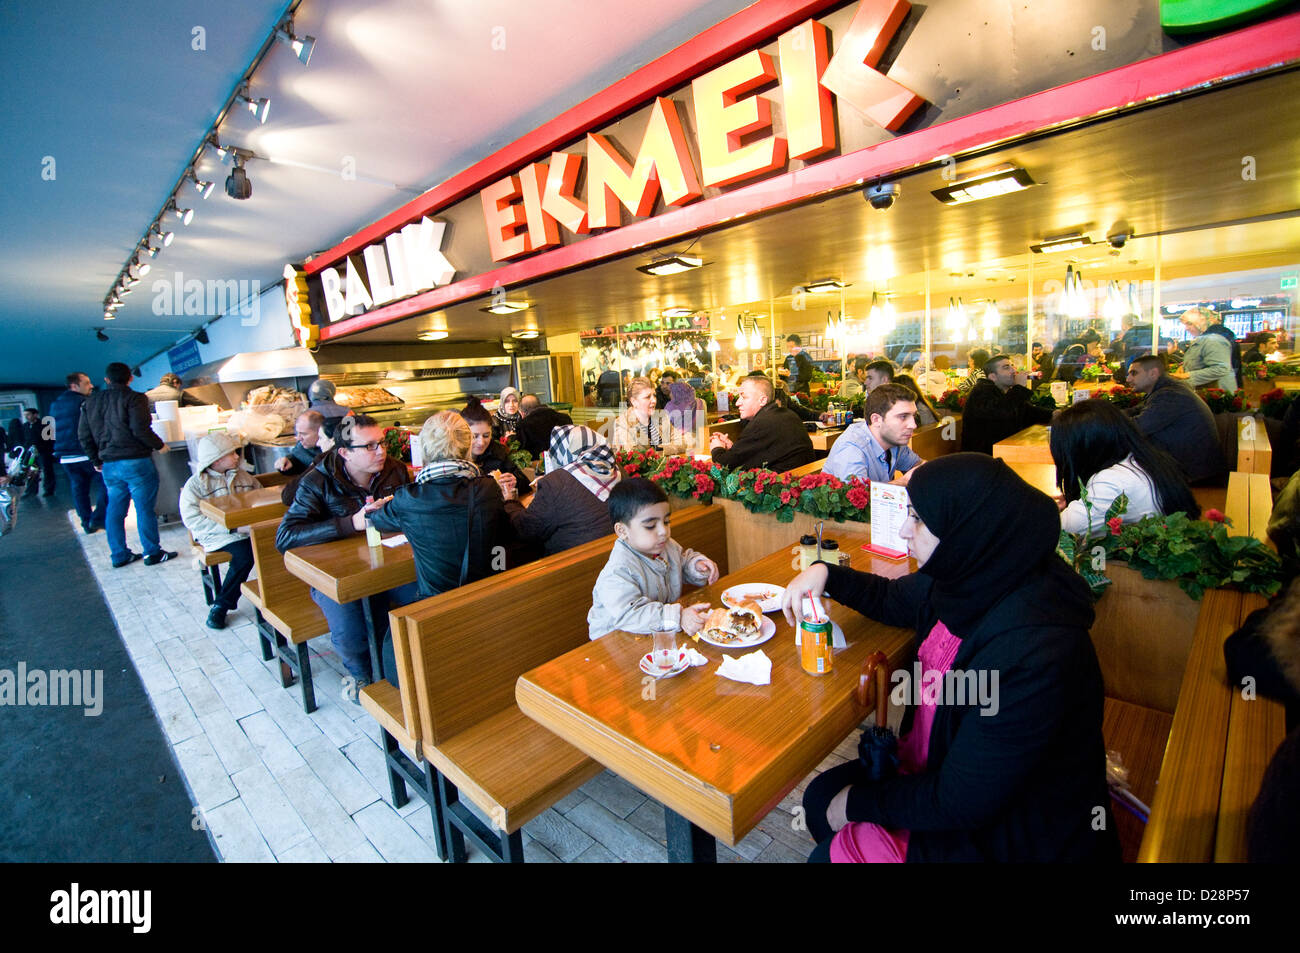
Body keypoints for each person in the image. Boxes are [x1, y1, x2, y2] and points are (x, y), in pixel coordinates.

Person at [784, 453, 1117, 862]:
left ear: (969, 530)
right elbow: (891, 598)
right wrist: (825, 574)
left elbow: (961, 801)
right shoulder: (973, 577)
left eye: (920, 519)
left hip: (1005, 827)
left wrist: (856, 804)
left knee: (828, 837)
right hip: (942, 764)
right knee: (819, 798)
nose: (906, 529)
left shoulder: (1036, 650)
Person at [275, 414, 415, 692]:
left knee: (422, 603)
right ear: (344, 452)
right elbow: (285, 536)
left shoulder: (395, 470)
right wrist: (351, 523)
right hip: (334, 575)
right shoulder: (319, 481)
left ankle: (408, 672)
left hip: (388, 563)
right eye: (370, 446)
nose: (381, 451)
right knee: (351, 629)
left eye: (383, 443)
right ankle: (364, 680)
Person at [365, 411, 511, 599]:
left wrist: (381, 506)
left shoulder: (407, 498)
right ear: (467, 448)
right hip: (486, 599)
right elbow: (506, 531)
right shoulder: (488, 489)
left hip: (433, 606)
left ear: (424, 450)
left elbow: (375, 520)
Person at [587, 478, 719, 639]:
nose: (663, 531)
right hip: (614, 642)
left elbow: (681, 562)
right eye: (650, 526)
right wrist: (678, 617)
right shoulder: (617, 572)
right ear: (622, 531)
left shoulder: (665, 546)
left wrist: (696, 566)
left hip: (653, 632)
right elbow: (630, 614)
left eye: (666, 521)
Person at [78, 363, 178, 568]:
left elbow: (83, 436)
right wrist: (160, 445)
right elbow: (140, 429)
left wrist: (96, 461)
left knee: (115, 509)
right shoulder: (136, 398)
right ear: (130, 378)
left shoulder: (90, 402)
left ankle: (119, 555)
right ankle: (152, 552)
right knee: (144, 509)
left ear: (106, 380)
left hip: (109, 464)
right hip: (136, 461)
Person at [1050, 399, 1199, 535]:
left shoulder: (1111, 481)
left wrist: (1047, 507)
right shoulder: (1145, 459)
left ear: (1081, 449)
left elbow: (1059, 528)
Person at [179, 432, 259, 629]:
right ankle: (221, 605)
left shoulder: (243, 476)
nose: (236, 456)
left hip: (245, 530)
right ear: (215, 461)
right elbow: (193, 520)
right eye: (230, 453)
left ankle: (279, 592)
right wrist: (230, 528)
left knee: (272, 544)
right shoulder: (195, 486)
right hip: (217, 535)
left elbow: (259, 497)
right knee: (245, 555)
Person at [503, 425, 620, 556]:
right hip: (615, 555)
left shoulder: (557, 482)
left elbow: (526, 529)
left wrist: (510, 502)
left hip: (570, 565)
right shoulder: (617, 470)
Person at [1125, 355, 1228, 485]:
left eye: (1133, 373)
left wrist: (1104, 423)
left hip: (1196, 476)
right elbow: (1136, 411)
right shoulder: (1168, 390)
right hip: (1192, 468)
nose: (1128, 379)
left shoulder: (1170, 395)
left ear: (1153, 373)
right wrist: (1105, 415)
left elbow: (1136, 427)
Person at [709, 375, 816, 472]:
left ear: (763, 400)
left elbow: (724, 464)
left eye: (744, 397)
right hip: (799, 480)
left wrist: (716, 448)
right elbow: (754, 453)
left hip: (782, 487)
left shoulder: (762, 423)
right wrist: (733, 448)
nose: (737, 403)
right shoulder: (786, 414)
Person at [823, 384, 923, 484]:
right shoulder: (851, 449)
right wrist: (903, 481)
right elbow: (859, 496)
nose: (913, 425)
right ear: (876, 420)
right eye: (903, 417)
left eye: (913, 416)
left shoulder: (894, 441)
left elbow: (918, 465)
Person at [960, 354, 1053, 456]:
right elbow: (1002, 413)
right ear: (993, 377)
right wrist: (1019, 387)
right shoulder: (981, 392)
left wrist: (1055, 415)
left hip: (1002, 452)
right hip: (982, 459)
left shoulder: (1004, 392)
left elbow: (1028, 412)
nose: (1013, 370)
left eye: (1012, 366)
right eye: (1006, 367)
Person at [50, 372, 107, 532]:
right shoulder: (85, 402)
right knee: (107, 484)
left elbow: (48, 432)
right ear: (75, 385)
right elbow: (95, 428)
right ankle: (98, 518)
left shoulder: (54, 404)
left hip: (65, 456)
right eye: (87, 383)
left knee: (79, 490)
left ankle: (86, 523)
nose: (91, 386)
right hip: (86, 453)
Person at [461, 398, 527, 494]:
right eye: (474, 436)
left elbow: (525, 484)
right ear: (462, 434)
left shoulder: (498, 452)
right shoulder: (455, 459)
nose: (481, 442)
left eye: (486, 435)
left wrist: (516, 482)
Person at [611, 377, 688, 453]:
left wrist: (661, 449)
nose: (654, 400)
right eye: (647, 397)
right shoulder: (622, 423)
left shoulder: (660, 417)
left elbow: (682, 443)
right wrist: (661, 450)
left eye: (654, 395)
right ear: (634, 401)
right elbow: (630, 455)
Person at [1174, 307, 1236, 392]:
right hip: (1206, 394)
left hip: (1216, 396)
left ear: (1201, 323)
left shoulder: (1214, 340)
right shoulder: (1203, 340)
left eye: (1189, 324)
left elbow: (1221, 368)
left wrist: (1187, 375)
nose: (1186, 328)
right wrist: (1184, 367)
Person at [12, 407, 56, 498]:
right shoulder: (25, 426)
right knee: (32, 470)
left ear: (35, 415)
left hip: (43, 452)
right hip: (31, 454)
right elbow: (25, 440)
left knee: (47, 470)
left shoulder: (44, 426)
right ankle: (31, 491)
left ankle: (49, 490)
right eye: (25, 415)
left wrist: (44, 450)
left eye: (28, 414)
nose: (26, 417)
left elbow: (50, 441)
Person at [514, 394, 573, 459]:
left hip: (538, 466)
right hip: (567, 462)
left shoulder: (523, 426)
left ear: (522, 413)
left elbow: (523, 455)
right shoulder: (565, 418)